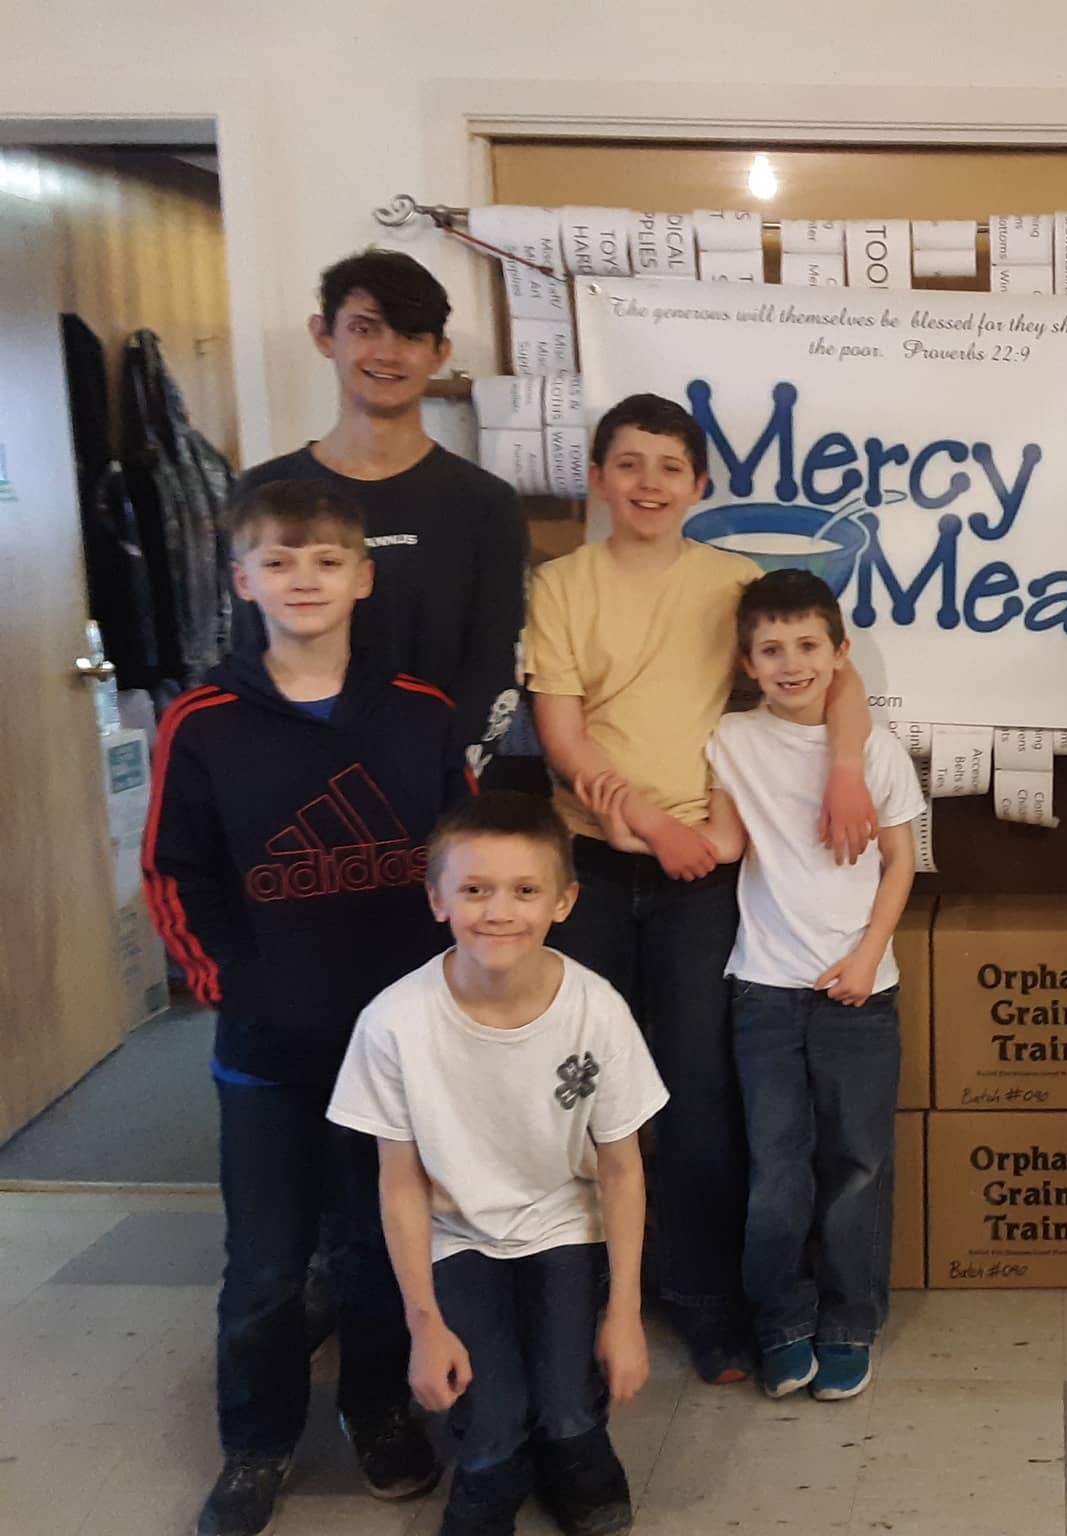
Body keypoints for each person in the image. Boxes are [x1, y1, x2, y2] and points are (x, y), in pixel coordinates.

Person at [524, 392, 876, 1384]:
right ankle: (585, 1298)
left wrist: (845, 769)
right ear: (597, 479)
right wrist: (648, 823)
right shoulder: (560, 583)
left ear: (698, 486)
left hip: (700, 878)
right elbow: (562, 735)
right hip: (588, 867)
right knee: (579, 1089)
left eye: (668, 467)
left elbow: (836, 680)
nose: (646, 483)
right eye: (627, 464)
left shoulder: (733, 581)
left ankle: (703, 1302)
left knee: (694, 1093)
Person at [142, 479, 472, 1536]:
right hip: (269, 1054)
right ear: (244, 581)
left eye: (326, 562)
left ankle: (377, 1412)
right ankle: (258, 1440)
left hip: (397, 1054)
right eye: (279, 563)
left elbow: (463, 863)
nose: (303, 580)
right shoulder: (204, 723)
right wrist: (232, 989)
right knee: (270, 1267)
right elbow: (170, 873)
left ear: (362, 579)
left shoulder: (422, 715)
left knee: (381, 1249)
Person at [327, 792, 668, 1536]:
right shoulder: (393, 1023)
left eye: (524, 890)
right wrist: (423, 1324)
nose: (499, 911)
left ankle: (578, 1453)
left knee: (569, 1403)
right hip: (457, 1236)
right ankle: (493, 1473)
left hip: (566, 1226)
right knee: (491, 1418)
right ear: (437, 899)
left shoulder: (597, 1010)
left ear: (565, 901)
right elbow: (400, 1181)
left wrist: (625, 1315)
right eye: (475, 890)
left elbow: (621, 1169)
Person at [704, 569, 926, 1403]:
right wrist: (629, 812)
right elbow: (725, 844)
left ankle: (849, 1321)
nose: (790, 664)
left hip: (861, 992)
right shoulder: (729, 741)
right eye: (771, 650)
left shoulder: (875, 750)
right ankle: (782, 1318)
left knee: (859, 1164)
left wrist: (870, 954)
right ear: (747, 662)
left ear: (839, 655)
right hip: (763, 989)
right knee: (776, 1170)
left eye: (807, 647)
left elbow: (901, 861)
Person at [235, 249, 528, 778]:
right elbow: (243, 652)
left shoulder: (484, 503)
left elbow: (493, 666)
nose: (387, 353)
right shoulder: (263, 493)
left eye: (411, 336)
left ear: (440, 352)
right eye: (366, 329)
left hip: (437, 792)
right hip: (295, 787)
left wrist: (433, 776)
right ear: (325, 335)